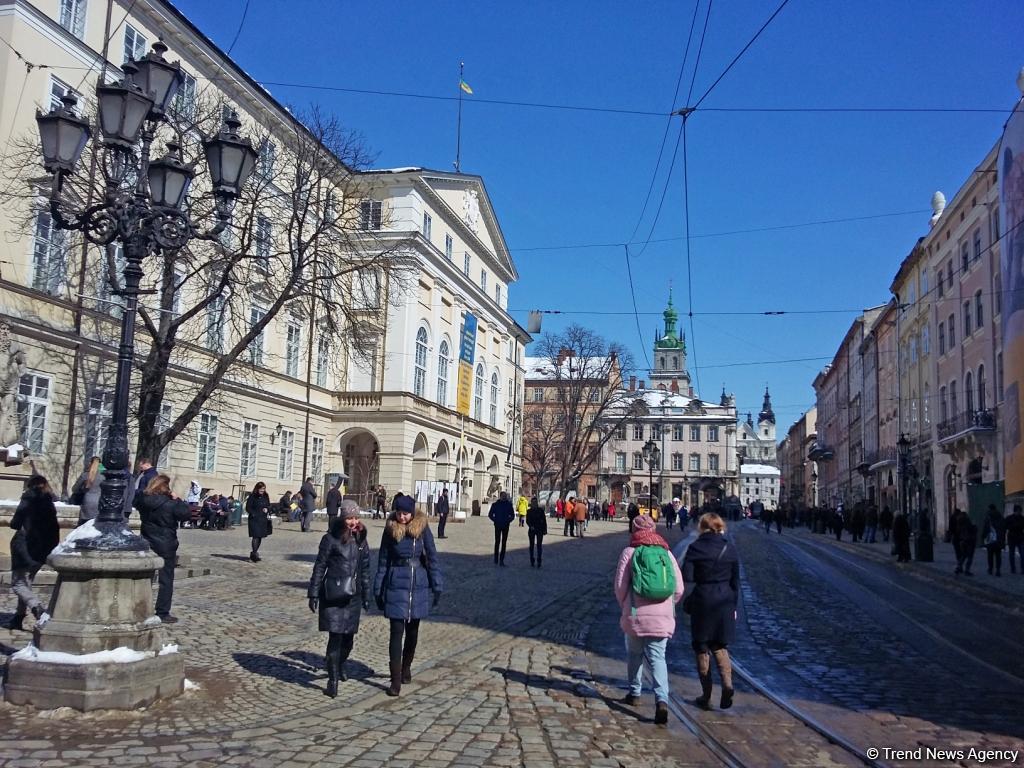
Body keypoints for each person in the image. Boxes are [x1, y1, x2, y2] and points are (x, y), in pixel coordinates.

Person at [614, 513, 683, 725]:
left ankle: (635, 693)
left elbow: (620, 586)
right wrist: (668, 606)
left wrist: (625, 605)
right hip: (662, 617)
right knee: (658, 658)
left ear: (634, 530)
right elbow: (679, 588)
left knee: (634, 654)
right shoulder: (666, 553)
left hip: (635, 612)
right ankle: (662, 700)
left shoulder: (629, 552)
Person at [374, 495, 442, 697]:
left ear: (412, 513)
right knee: (396, 632)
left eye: (405, 513)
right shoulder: (390, 529)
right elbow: (383, 561)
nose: (402, 517)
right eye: (399, 513)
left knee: (412, 633)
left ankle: (406, 667)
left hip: (417, 585)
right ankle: (395, 679)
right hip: (396, 583)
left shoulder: (422, 529)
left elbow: (432, 557)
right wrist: (378, 589)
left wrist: (437, 585)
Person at [308, 502, 370, 698]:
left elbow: (365, 569)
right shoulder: (330, 538)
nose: (353, 522)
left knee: (348, 640)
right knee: (335, 638)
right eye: (350, 518)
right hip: (333, 594)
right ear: (343, 518)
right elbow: (320, 566)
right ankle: (332, 680)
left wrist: (366, 594)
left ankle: (340, 663)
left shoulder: (361, 539)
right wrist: (313, 592)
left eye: (356, 518)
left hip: (353, 596)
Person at [681, 513, 739, 710]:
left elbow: (687, 577)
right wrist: (734, 607)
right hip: (725, 600)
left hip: (703, 599)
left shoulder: (695, 548)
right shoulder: (729, 548)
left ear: (702, 527)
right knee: (720, 645)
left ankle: (706, 695)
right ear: (720, 527)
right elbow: (736, 582)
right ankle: (727, 684)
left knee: (701, 646)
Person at [134, 474, 193, 623]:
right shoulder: (170, 504)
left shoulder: (144, 500)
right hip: (166, 543)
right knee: (166, 580)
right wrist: (177, 499)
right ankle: (162, 612)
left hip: (147, 540)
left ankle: (140, 607)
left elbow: (135, 500)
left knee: (144, 576)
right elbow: (186, 514)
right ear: (166, 487)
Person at [7, 474, 60, 631]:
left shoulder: (28, 498)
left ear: (30, 485)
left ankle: (37, 607)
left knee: (18, 584)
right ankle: (18, 618)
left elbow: (15, 523)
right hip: (41, 550)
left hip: (24, 548)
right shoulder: (49, 502)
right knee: (26, 583)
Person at [70, 456, 102, 526]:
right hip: (99, 504)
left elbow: (74, 489)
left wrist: (82, 489)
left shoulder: (85, 475)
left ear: (90, 463)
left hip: (87, 503)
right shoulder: (103, 477)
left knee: (83, 526)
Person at [246, 482, 272, 562]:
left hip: (263, 519)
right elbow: (248, 508)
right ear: (257, 488)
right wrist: (254, 514)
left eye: (263, 489)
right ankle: (254, 554)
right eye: (261, 489)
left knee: (260, 536)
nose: (262, 490)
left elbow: (269, 505)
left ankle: (254, 554)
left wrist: (267, 509)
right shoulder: (252, 496)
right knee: (255, 536)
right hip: (254, 520)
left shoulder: (266, 496)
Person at [489, 491, 515, 565]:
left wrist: (508, 520)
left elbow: (512, 515)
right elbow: (490, 514)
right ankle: (496, 558)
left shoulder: (509, 505)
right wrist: (495, 520)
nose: (504, 497)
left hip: (505, 525)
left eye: (505, 496)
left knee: (504, 542)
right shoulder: (495, 505)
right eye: (503, 496)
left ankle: (501, 559)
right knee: (497, 542)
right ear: (500, 496)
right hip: (497, 525)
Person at [981, 504, 1006, 577]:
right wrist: (1003, 539)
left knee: (990, 555)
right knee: (998, 555)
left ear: (989, 508)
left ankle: (990, 569)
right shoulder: (1000, 517)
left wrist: (983, 537)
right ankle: (998, 570)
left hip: (990, 540)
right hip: (998, 539)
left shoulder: (988, 517)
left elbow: (985, 528)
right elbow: (1003, 529)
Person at [526, 496, 547, 568]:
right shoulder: (529, 511)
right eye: (533, 502)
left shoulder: (540, 511)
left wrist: (545, 529)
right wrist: (530, 526)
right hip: (532, 530)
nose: (534, 504)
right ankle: (532, 559)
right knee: (531, 545)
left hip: (539, 529)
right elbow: (527, 520)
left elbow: (544, 520)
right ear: (531, 503)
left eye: (535, 502)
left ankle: (539, 560)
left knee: (539, 545)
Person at [1006, 504, 1024, 575]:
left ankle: (1022, 569)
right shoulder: (1009, 518)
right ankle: (1013, 569)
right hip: (1012, 538)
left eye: (1020, 511)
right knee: (1012, 554)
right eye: (1018, 511)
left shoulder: (1022, 518)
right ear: (1015, 511)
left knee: (1022, 555)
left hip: (1020, 537)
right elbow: (1006, 526)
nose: (1019, 512)